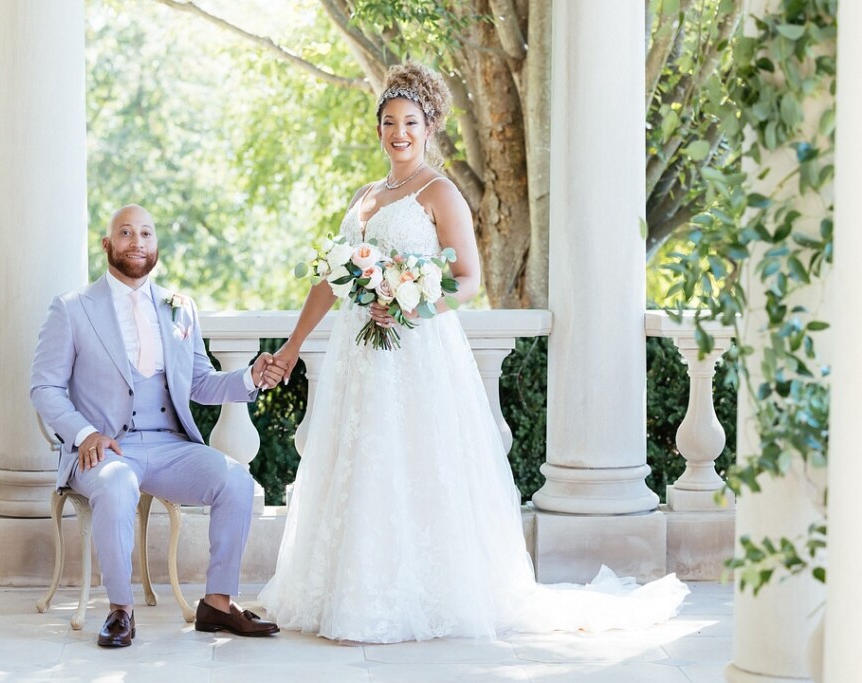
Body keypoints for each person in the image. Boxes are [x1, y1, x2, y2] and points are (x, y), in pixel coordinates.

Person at [257, 63, 688, 643]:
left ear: (429, 126)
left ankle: (419, 597)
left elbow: (467, 280)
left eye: (410, 121)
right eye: (389, 122)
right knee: (360, 466)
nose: (399, 132)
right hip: (361, 359)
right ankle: (347, 591)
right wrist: (292, 344)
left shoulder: (440, 192)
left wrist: (410, 307)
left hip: (416, 356)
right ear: (378, 129)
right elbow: (330, 278)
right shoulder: (365, 197)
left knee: (413, 466)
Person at [31, 204, 284, 647]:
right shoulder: (72, 308)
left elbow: (201, 383)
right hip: (105, 450)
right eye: (126, 233)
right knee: (115, 484)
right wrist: (84, 433)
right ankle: (120, 610)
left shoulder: (179, 307)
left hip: (170, 445)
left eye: (146, 233)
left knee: (237, 482)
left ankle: (218, 605)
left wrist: (250, 377)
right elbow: (44, 387)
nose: (137, 242)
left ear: (156, 245)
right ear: (108, 244)